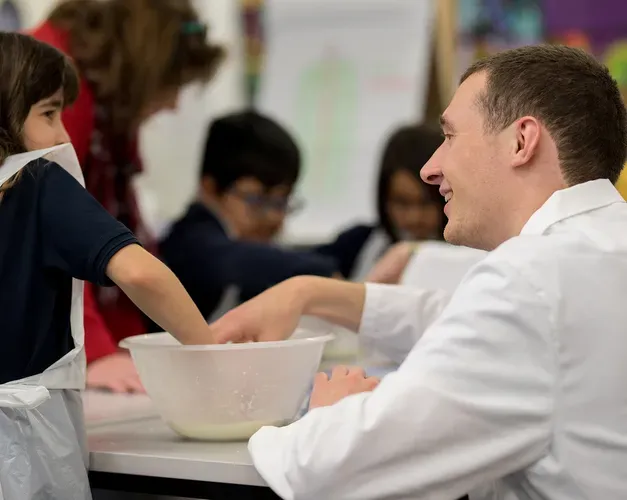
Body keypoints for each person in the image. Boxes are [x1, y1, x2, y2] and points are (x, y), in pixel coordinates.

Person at [211, 44, 627, 499]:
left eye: (449, 137)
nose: (431, 169)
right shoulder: (594, 253)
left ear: (521, 141)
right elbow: (470, 322)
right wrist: (309, 294)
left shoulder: (532, 279)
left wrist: (326, 416)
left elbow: (329, 470)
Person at [0, 33, 214, 499]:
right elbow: (140, 272)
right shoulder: (37, 184)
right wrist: (212, 354)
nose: (62, 135)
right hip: (20, 452)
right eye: (49, 113)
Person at [29, 0, 225, 392]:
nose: (172, 104)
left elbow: (116, 222)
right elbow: (56, 236)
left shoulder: (109, 94)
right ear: (146, 67)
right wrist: (215, 362)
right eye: (173, 85)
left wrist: (131, 348)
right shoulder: (63, 91)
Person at [159, 111, 338, 322]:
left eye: (281, 202)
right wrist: (323, 272)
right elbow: (223, 260)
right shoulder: (191, 241)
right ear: (210, 188)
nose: (272, 216)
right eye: (256, 199)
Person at [315, 124, 444, 281]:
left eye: (426, 203)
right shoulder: (357, 243)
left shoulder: (469, 253)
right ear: (383, 197)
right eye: (401, 203)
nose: (414, 217)